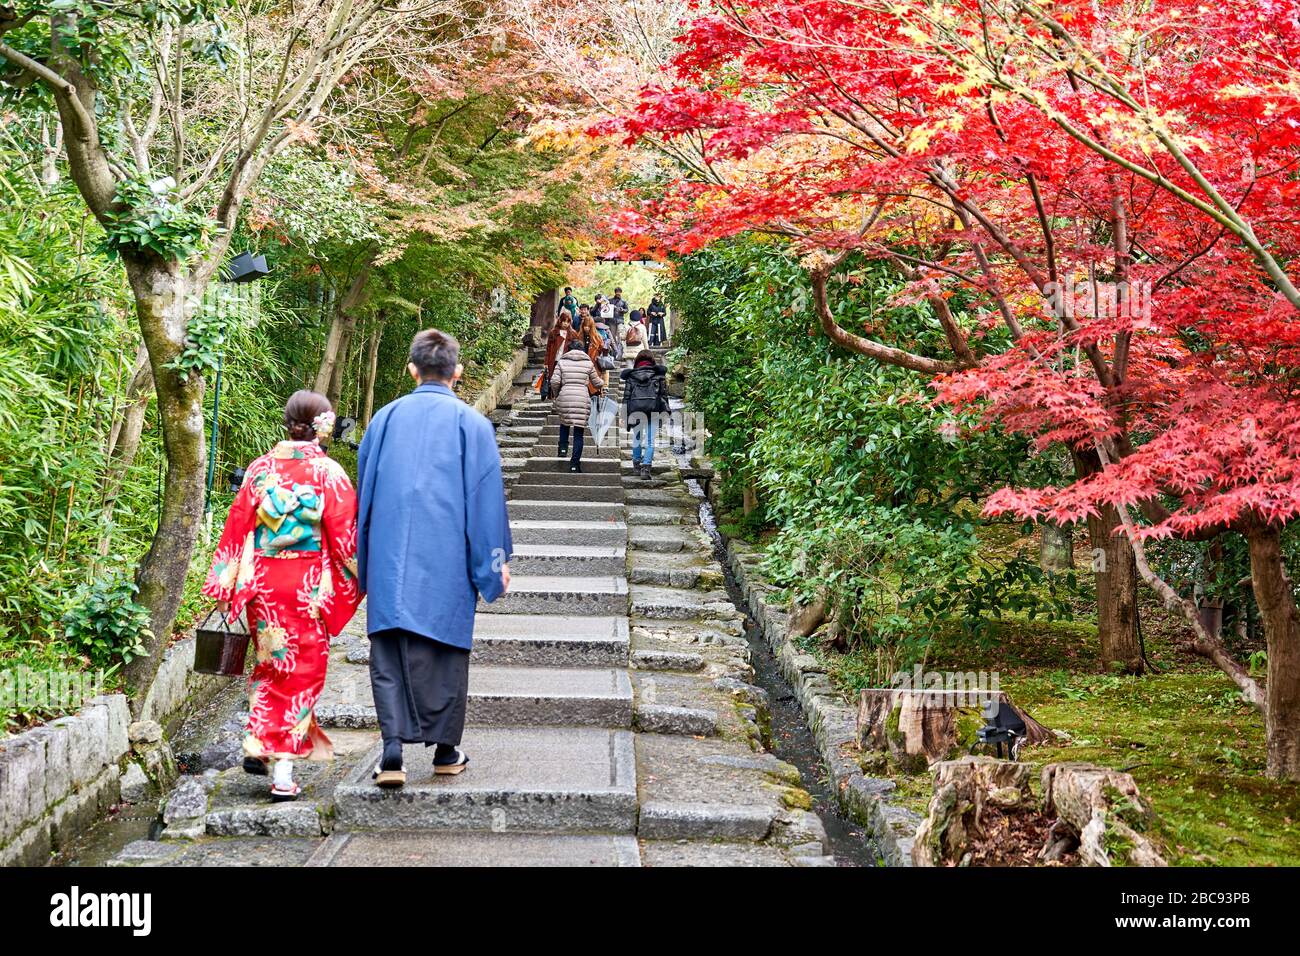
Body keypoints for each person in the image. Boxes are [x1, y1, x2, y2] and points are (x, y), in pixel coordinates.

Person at [355, 329, 512, 788]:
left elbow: (364, 495)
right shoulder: (473, 425)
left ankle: (391, 753)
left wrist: (364, 563)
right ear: (457, 373)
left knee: (389, 650)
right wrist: (493, 564)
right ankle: (445, 751)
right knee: (445, 652)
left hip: (388, 557)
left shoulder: (383, 420)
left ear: (411, 370)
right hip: (445, 559)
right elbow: (485, 503)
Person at [203, 390, 361, 802]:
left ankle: (259, 740)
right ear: (323, 426)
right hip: (307, 587)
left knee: (272, 665)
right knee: (302, 673)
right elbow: (347, 542)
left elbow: (238, 527)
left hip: (265, 586)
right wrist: (371, 573)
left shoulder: (260, 469)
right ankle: (284, 773)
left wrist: (225, 584)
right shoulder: (330, 474)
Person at [552, 338, 605, 473]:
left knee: (564, 421)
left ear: (569, 350)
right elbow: (597, 383)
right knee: (578, 432)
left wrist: (558, 394)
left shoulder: (562, 362)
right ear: (582, 350)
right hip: (582, 398)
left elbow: (554, 381)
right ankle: (574, 464)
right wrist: (603, 379)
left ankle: (563, 449)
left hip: (565, 395)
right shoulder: (588, 363)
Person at [620, 350, 669, 479]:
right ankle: (646, 469)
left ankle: (636, 467)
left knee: (637, 438)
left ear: (637, 361)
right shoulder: (659, 376)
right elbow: (663, 396)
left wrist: (623, 415)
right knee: (650, 441)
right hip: (653, 410)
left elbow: (626, 397)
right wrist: (666, 412)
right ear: (652, 360)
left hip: (635, 411)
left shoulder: (631, 377)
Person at [608, 287, 628, 358]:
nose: (618, 293)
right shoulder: (610, 300)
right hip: (611, 321)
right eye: (617, 292)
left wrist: (622, 310)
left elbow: (626, 310)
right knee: (612, 337)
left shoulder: (623, 302)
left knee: (620, 337)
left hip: (620, 321)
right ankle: (614, 352)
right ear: (615, 292)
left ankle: (620, 353)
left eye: (619, 292)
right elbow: (606, 308)